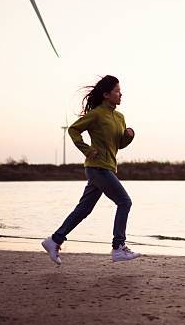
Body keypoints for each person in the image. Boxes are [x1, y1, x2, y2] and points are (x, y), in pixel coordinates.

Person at [41, 75, 141, 264]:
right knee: (124, 202)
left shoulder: (120, 117)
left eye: (120, 91)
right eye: (117, 91)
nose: (121, 94)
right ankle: (118, 247)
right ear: (106, 95)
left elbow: (118, 144)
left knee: (84, 209)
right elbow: (73, 130)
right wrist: (86, 149)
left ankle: (54, 240)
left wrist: (129, 136)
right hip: (97, 168)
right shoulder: (96, 114)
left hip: (108, 168)